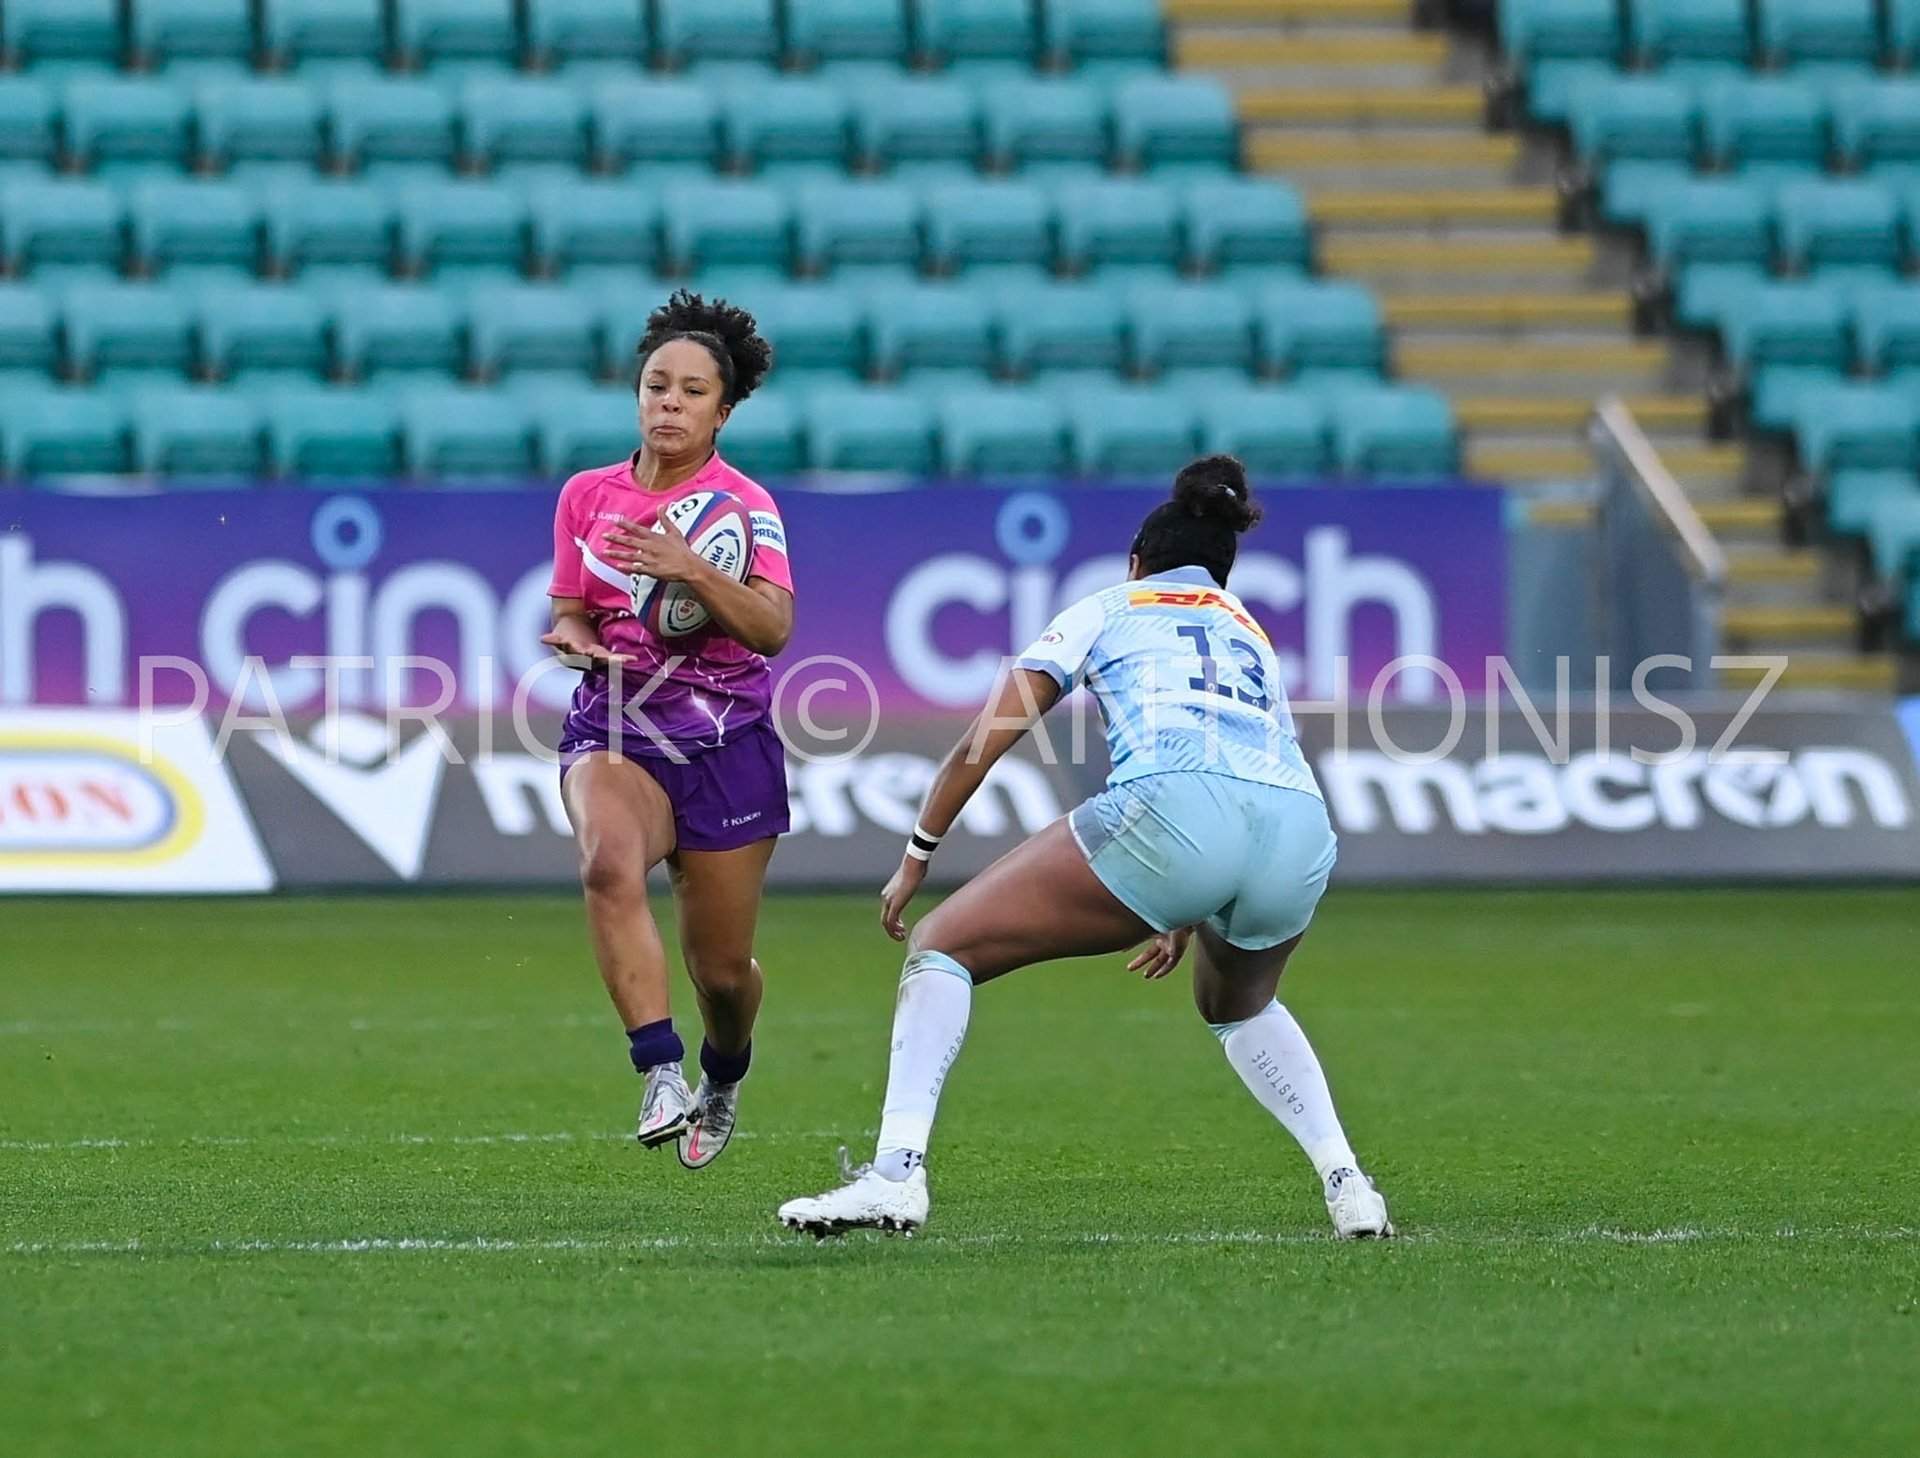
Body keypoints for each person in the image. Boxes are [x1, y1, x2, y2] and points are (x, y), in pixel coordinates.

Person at [778, 456, 1391, 1239]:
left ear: (1137, 562)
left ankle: (896, 1178)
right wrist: (1189, 893)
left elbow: (987, 737)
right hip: (1298, 825)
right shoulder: (1248, 631)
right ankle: (1349, 1186)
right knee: (1237, 1003)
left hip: (1178, 813)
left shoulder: (1109, 605)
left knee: (940, 947)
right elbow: (1244, 756)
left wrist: (918, 852)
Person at [542, 290, 792, 1170]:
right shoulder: (587, 496)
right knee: (607, 863)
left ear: (723, 410)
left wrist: (689, 568)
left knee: (723, 975)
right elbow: (572, 613)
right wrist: (576, 645)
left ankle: (723, 1075)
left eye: (692, 391)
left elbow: (771, 631)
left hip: (728, 742)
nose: (669, 404)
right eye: (657, 386)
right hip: (616, 724)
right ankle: (658, 1070)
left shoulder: (745, 507)